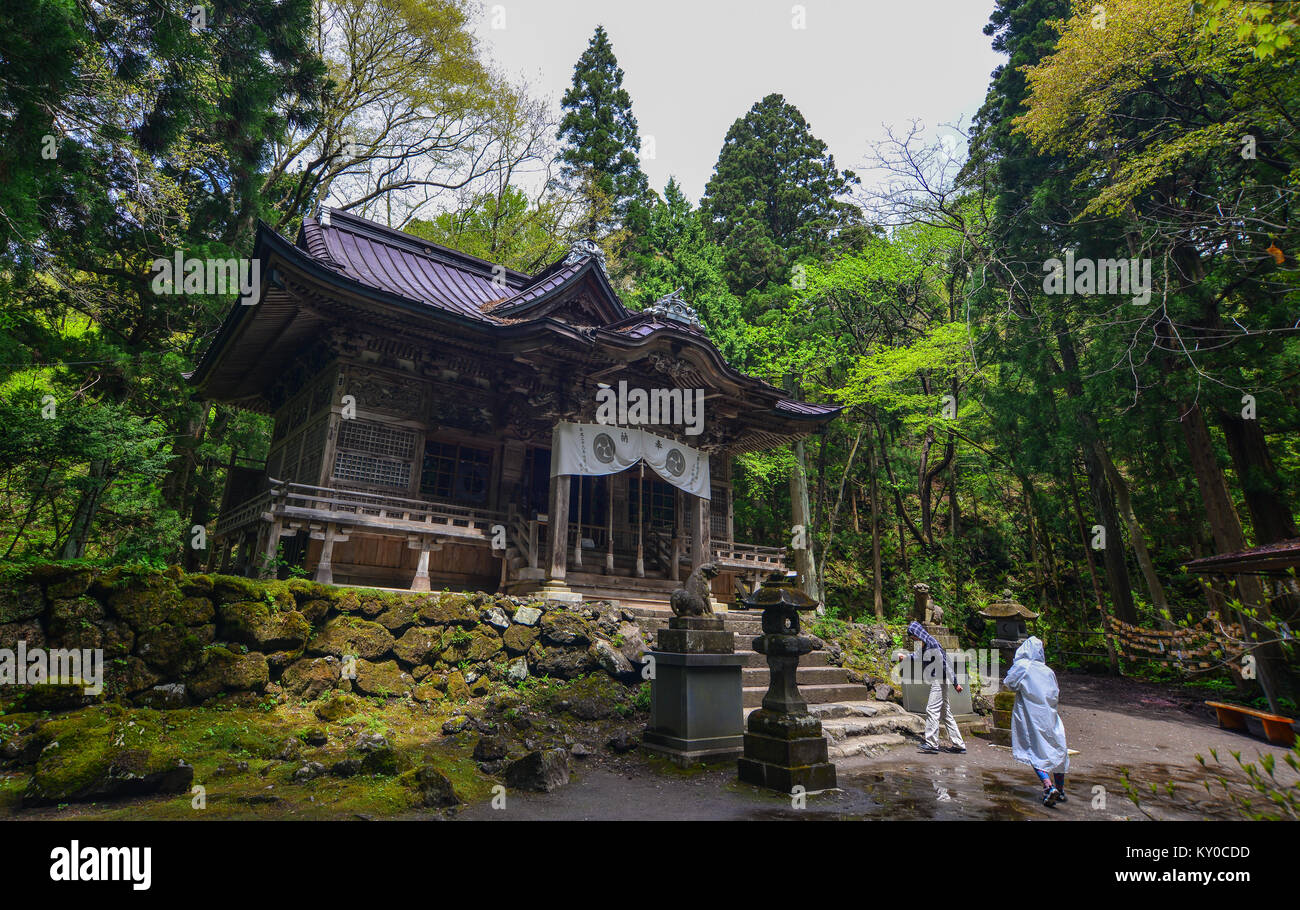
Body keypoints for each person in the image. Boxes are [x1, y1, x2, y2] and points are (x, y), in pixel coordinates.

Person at [1002, 636, 1069, 806]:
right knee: (1057, 750)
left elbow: (1009, 683)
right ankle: (1060, 789)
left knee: (1033, 749)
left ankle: (1048, 786)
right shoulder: (1047, 671)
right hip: (1050, 714)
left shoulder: (1023, 666)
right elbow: (1055, 693)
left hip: (1031, 715)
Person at [905, 620, 966, 754]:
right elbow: (917, 656)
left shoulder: (931, 643)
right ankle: (959, 745)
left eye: (913, 636)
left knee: (931, 710)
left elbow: (944, 663)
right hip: (940, 680)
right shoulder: (926, 644)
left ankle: (932, 743)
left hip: (940, 680)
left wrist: (955, 683)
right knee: (945, 713)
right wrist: (905, 658)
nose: (914, 638)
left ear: (917, 633)